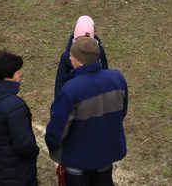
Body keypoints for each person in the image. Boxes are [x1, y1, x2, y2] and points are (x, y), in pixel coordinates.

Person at [45, 37, 127, 186]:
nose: (69, 57)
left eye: (72, 55)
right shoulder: (117, 78)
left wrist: (52, 143)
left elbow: (59, 129)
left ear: (80, 61)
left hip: (77, 158)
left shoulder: (70, 89)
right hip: (105, 152)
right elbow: (121, 112)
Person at [0, 50, 39, 186]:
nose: (20, 74)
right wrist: (34, 152)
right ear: (6, 78)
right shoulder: (14, 107)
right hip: (14, 172)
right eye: (17, 72)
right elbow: (25, 146)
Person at [54, 16, 110, 99]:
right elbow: (60, 81)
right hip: (74, 94)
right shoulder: (67, 56)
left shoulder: (99, 51)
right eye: (80, 40)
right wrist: (58, 98)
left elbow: (105, 71)